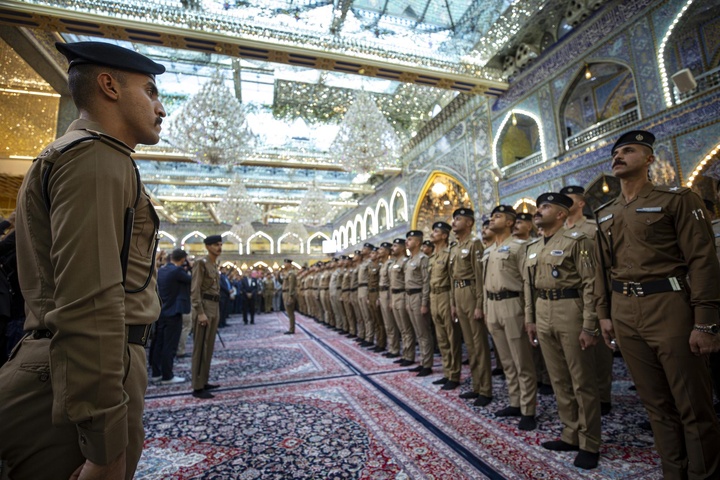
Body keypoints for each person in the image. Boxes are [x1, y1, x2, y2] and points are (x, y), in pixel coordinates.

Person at [0, 41, 166, 479]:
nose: (161, 108)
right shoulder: (95, 157)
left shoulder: (86, 156)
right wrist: (105, 443)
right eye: (151, 92)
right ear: (109, 86)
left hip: (76, 368)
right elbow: (89, 303)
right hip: (85, 376)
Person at [594, 130, 720, 478]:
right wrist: (604, 315)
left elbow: (703, 261)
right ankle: (673, 471)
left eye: (629, 150)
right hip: (625, 310)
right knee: (656, 405)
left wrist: (705, 321)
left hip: (669, 305)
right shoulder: (606, 213)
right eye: (615, 152)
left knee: (693, 405)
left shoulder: (677, 199)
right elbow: (604, 270)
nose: (618, 156)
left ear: (649, 159)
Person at [524, 192, 601, 470]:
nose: (537, 211)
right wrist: (530, 319)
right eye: (537, 207)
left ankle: (590, 441)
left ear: (560, 214)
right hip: (543, 310)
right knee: (558, 378)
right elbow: (529, 287)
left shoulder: (576, 241)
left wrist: (589, 324)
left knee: (581, 379)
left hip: (571, 308)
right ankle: (570, 433)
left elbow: (591, 284)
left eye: (544, 207)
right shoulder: (533, 247)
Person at [560, 185, 613, 416]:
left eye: (568, 199)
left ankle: (603, 397)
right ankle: (581, 398)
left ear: (581, 203)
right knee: (575, 354)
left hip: (596, 294)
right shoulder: (556, 233)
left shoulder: (592, 228)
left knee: (599, 351)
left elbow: (605, 265)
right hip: (569, 300)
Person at [485, 206, 537, 431]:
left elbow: (528, 282)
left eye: (497, 216)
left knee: (521, 360)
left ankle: (528, 409)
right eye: (491, 216)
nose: (491, 219)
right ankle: (515, 401)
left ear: (509, 222)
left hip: (512, 304)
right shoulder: (490, 250)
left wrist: (529, 314)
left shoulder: (520, 246)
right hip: (493, 305)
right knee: (506, 360)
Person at [449, 208, 493, 407]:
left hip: (471, 294)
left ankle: (485, 389)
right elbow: (452, 278)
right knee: (470, 346)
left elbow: (479, 276)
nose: (454, 222)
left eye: (458, 219)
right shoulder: (455, 247)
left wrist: (479, 305)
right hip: (458, 295)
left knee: (479, 345)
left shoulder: (474, 244)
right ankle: (476, 385)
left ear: (468, 223)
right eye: (454, 219)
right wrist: (453, 303)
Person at [428, 221, 462, 390]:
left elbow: (452, 279)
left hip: (446, 295)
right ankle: (447, 372)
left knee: (451, 337)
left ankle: (454, 375)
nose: (432, 234)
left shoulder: (449, 253)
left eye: (436, 231)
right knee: (441, 338)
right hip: (433, 296)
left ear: (444, 235)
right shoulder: (433, 257)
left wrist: (453, 303)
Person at [151, 248, 191, 384]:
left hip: (161, 311)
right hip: (173, 312)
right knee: (170, 345)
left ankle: (156, 373)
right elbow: (192, 280)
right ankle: (167, 375)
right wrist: (190, 266)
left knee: (159, 344)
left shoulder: (162, 270)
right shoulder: (177, 271)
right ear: (182, 259)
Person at [190, 235, 222, 399]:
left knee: (208, 347)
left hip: (214, 307)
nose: (219, 247)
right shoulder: (200, 263)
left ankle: (204, 381)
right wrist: (200, 312)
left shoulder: (213, 265)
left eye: (220, 244)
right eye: (216, 245)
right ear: (208, 246)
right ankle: (197, 386)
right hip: (204, 308)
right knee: (200, 348)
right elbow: (195, 290)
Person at [404, 230, 433, 376]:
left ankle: (427, 364)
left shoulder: (423, 259)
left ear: (417, 242)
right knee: (417, 332)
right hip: (409, 296)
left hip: (418, 296)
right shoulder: (410, 260)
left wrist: (424, 303)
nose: (407, 242)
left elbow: (426, 282)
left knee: (423, 332)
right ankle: (422, 361)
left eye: (410, 239)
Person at [282, 259, 298, 334]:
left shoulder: (291, 273)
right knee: (288, 312)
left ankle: (292, 329)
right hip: (285, 292)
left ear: (289, 264)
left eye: (285, 263)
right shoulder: (287, 273)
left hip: (288, 293)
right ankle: (291, 328)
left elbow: (292, 286)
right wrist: (278, 275)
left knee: (290, 312)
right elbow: (282, 283)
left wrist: (291, 296)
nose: (284, 264)